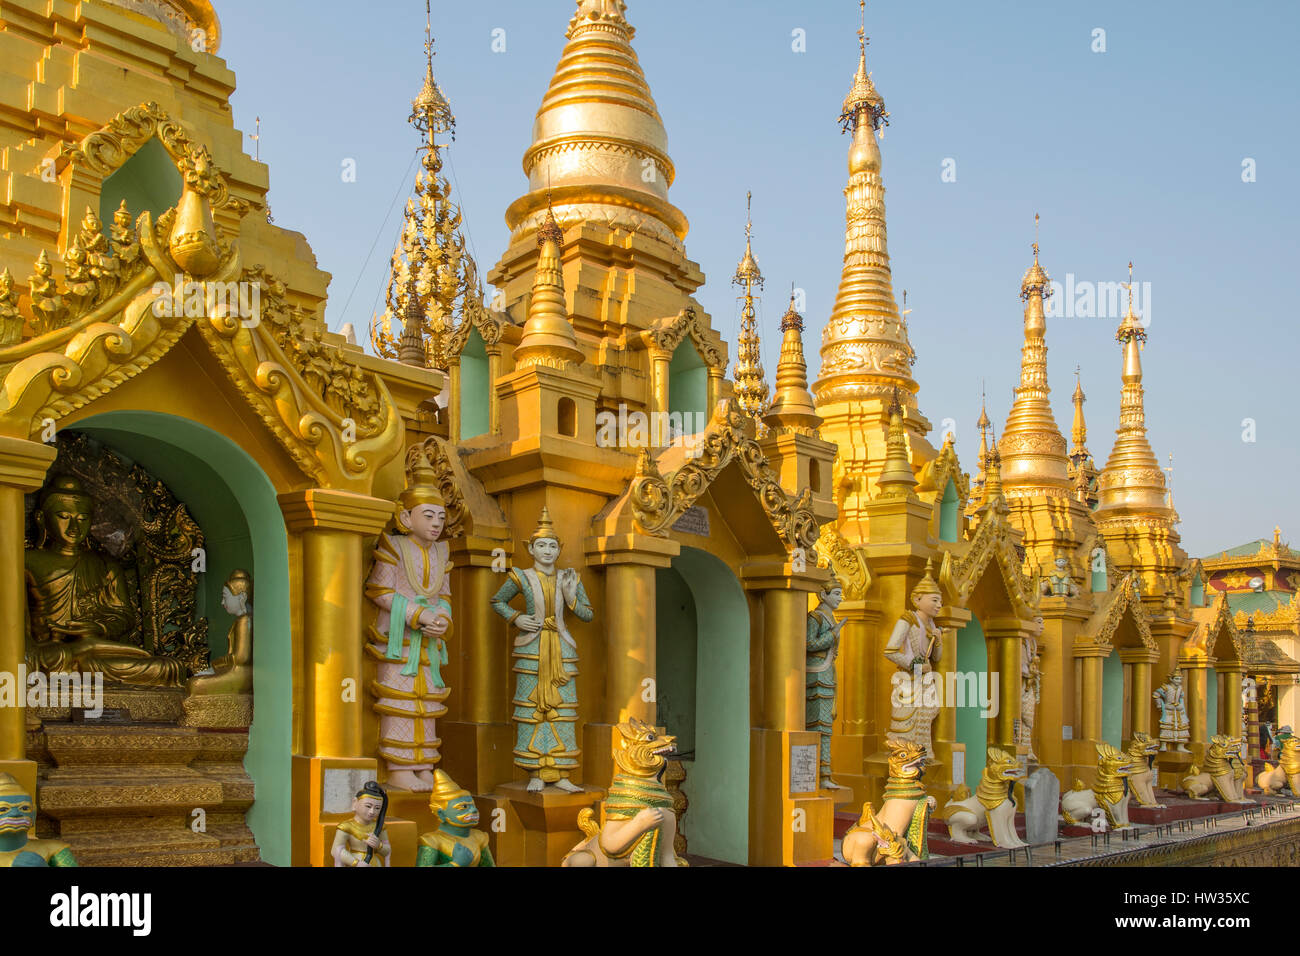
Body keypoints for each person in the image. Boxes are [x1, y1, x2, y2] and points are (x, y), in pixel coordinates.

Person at [490, 507, 592, 792]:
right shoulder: (520, 577)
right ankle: (535, 770)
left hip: (561, 649)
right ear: (531, 549)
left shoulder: (570, 578)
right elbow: (497, 601)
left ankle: (561, 773)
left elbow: (587, 615)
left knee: (563, 711)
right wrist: (516, 617)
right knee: (530, 709)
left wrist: (571, 598)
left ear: (559, 550)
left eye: (552, 546)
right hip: (531, 648)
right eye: (541, 545)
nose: (547, 550)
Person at [364, 475, 452, 792]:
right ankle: (400, 765)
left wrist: (442, 617)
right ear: (405, 517)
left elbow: (444, 595)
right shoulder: (394, 545)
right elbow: (379, 591)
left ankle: (424, 764)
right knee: (400, 701)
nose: (436, 524)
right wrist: (417, 613)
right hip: (397, 639)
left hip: (429, 643)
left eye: (441, 517)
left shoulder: (443, 552)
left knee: (427, 703)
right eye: (428, 516)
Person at [884, 559, 944, 761]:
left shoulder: (932, 625)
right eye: (934, 600)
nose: (939, 605)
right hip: (908, 680)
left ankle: (921, 754)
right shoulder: (907, 620)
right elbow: (890, 651)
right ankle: (909, 757)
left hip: (925, 681)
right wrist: (914, 664)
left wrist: (938, 641)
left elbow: (937, 657)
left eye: (940, 601)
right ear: (917, 600)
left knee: (926, 718)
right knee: (908, 723)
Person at [331, 781, 390, 867]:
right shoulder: (346, 826)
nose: (372, 812)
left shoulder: (379, 827)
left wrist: (379, 845)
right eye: (368, 806)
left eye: (377, 808)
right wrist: (356, 863)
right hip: (355, 862)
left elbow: (387, 851)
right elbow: (336, 850)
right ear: (355, 803)